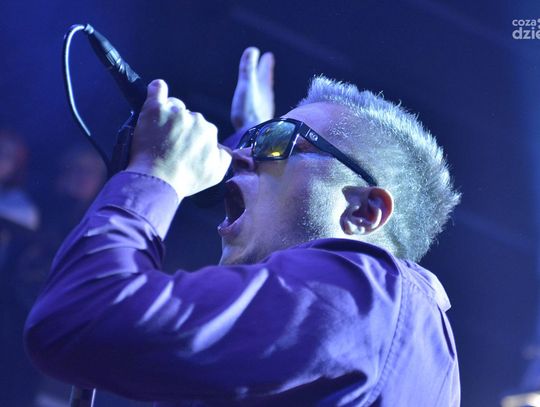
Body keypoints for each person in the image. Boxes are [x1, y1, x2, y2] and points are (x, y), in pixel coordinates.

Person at [24, 47, 461, 406]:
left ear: (363, 212)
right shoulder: (384, 333)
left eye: (278, 142)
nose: (238, 158)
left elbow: (78, 320)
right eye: (252, 143)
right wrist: (258, 135)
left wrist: (153, 174)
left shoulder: (370, 295)